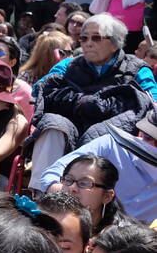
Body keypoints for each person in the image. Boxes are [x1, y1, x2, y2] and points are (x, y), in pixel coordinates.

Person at [30, 13, 155, 186]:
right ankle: (42, 192)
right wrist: (82, 102)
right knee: (53, 125)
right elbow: (39, 90)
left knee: (103, 135)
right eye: (83, 38)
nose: (88, 43)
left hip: (113, 139)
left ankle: (91, 197)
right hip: (71, 126)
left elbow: (152, 103)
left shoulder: (137, 70)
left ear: (115, 42)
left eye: (96, 38)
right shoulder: (68, 65)